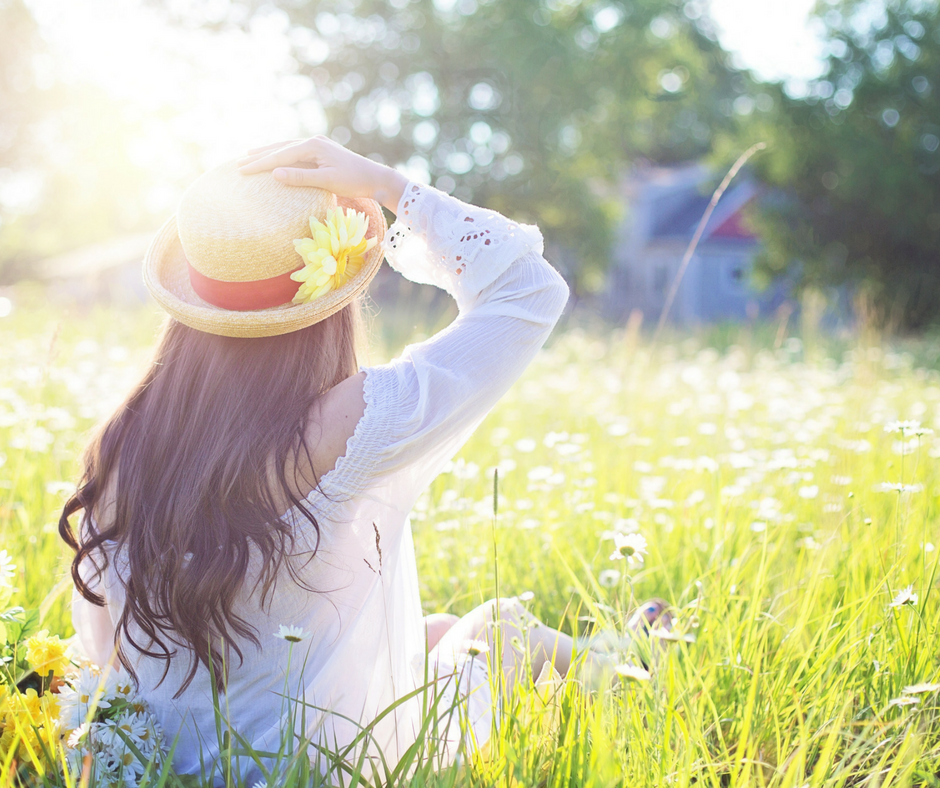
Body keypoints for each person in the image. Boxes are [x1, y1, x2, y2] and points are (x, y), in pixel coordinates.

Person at [58, 136, 667, 782]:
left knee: (431, 632)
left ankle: (617, 653)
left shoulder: (124, 441)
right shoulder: (349, 423)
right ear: (330, 300)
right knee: (500, 625)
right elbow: (528, 290)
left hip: (177, 765)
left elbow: (107, 653)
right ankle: (628, 665)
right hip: (332, 769)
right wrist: (390, 187)